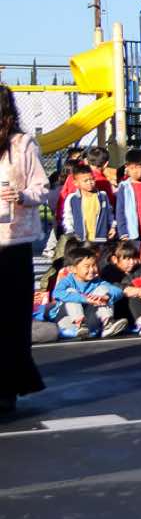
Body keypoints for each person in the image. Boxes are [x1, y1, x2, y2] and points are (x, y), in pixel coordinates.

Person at [0, 85, 50, 416]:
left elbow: (41, 188)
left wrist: (21, 196)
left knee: (11, 318)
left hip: (14, 242)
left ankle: (7, 388)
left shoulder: (22, 144)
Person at [52, 248, 126, 338]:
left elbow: (118, 291)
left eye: (94, 265)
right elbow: (57, 293)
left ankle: (108, 324)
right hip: (68, 320)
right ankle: (80, 324)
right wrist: (85, 299)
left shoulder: (97, 282)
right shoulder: (67, 281)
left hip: (89, 323)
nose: (92, 270)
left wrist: (106, 296)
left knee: (102, 289)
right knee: (71, 292)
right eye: (87, 266)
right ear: (73, 269)